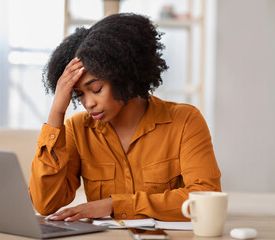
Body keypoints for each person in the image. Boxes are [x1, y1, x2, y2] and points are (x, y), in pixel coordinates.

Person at [28, 13, 221, 222]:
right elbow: (45, 204)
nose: (88, 103)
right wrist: (56, 111)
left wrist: (114, 205)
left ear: (123, 76)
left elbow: (205, 199)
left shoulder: (184, 121)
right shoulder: (77, 130)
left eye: (96, 88)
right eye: (79, 95)